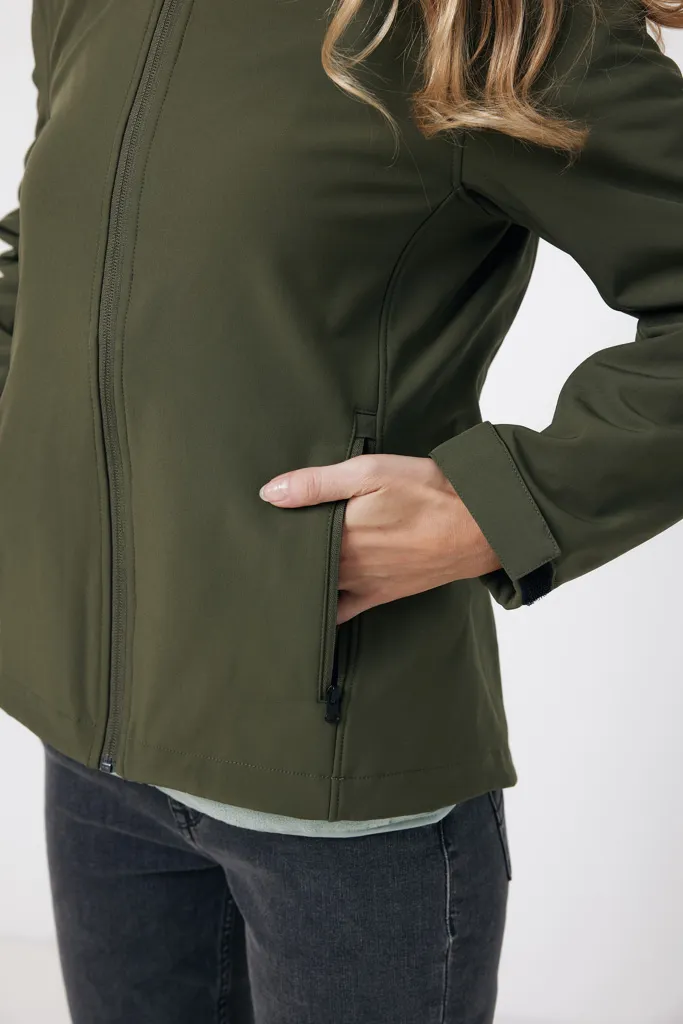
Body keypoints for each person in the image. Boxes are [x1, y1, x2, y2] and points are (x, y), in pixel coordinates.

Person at [2, 0, 683, 1019]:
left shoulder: (488, 23)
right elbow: (55, 265)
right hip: (91, 759)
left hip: (338, 799)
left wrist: (502, 505)